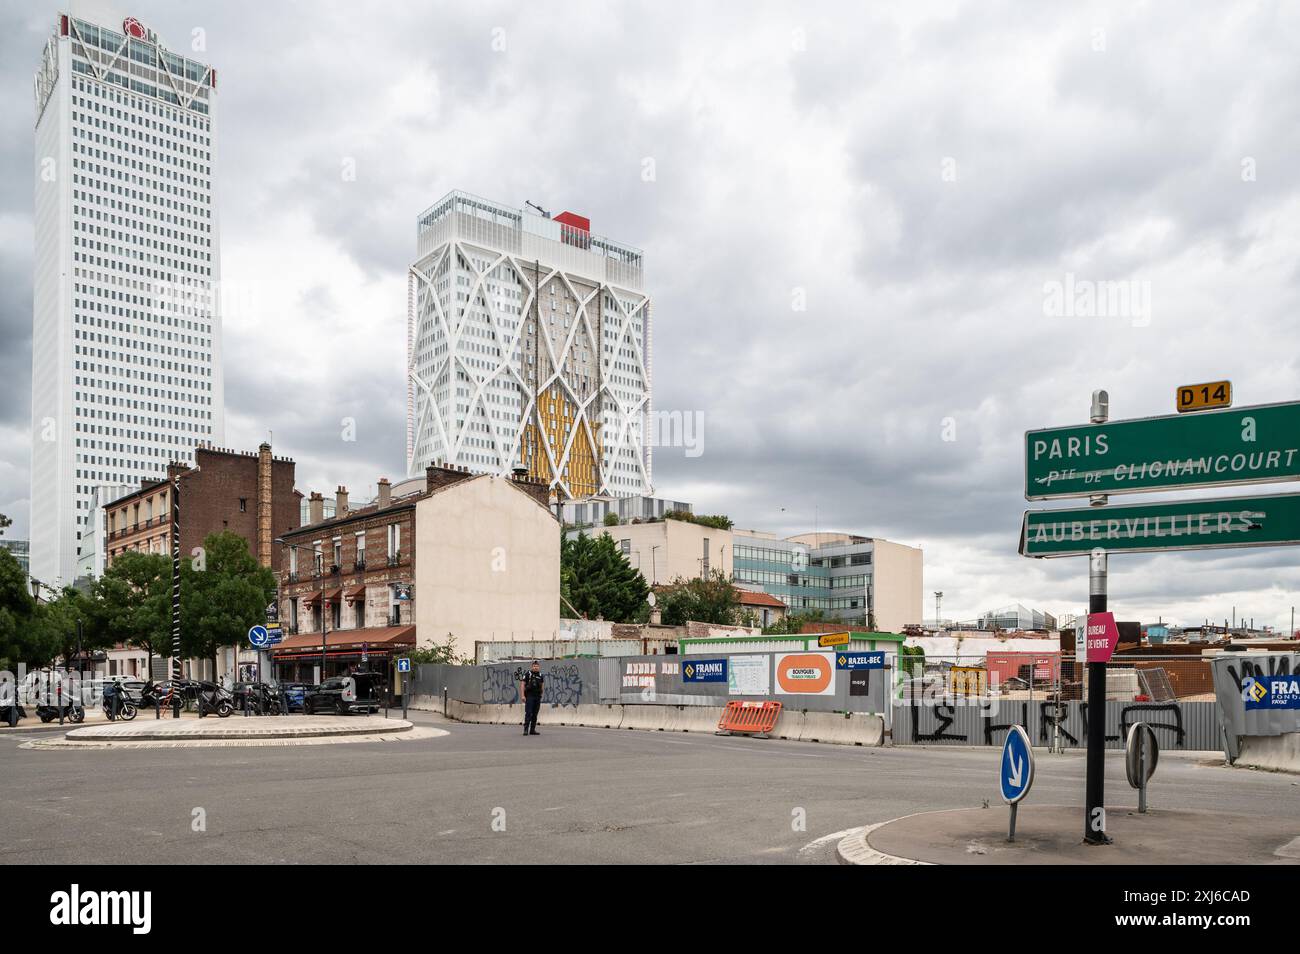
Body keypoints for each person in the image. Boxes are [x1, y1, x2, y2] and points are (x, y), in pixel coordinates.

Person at [520, 661, 544, 736]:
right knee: (528, 713)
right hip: (530, 696)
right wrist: (523, 696)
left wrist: (541, 694)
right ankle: (526, 729)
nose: (535, 667)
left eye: (537, 666)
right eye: (534, 666)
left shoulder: (540, 675)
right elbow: (522, 685)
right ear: (532, 667)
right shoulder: (528, 674)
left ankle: (532, 730)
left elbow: (542, 685)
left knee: (535, 714)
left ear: (539, 667)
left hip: (537, 697)